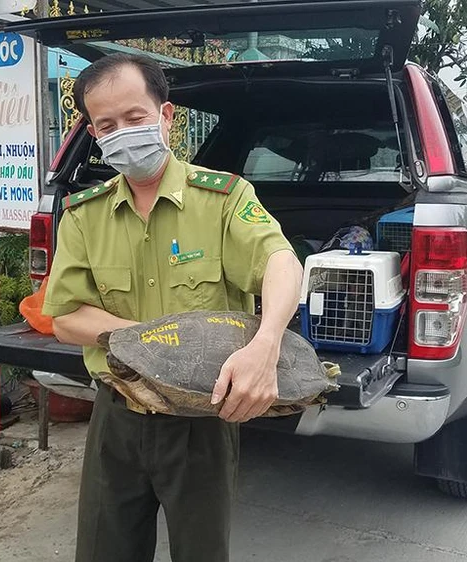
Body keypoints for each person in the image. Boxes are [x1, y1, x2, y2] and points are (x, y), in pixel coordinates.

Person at [41, 53, 303, 562]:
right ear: (94, 133)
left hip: (201, 421)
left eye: (135, 118)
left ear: (166, 117)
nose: (122, 132)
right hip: (116, 414)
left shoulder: (223, 199)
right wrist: (152, 342)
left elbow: (281, 263)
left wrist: (267, 343)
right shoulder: (83, 215)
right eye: (106, 124)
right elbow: (67, 316)